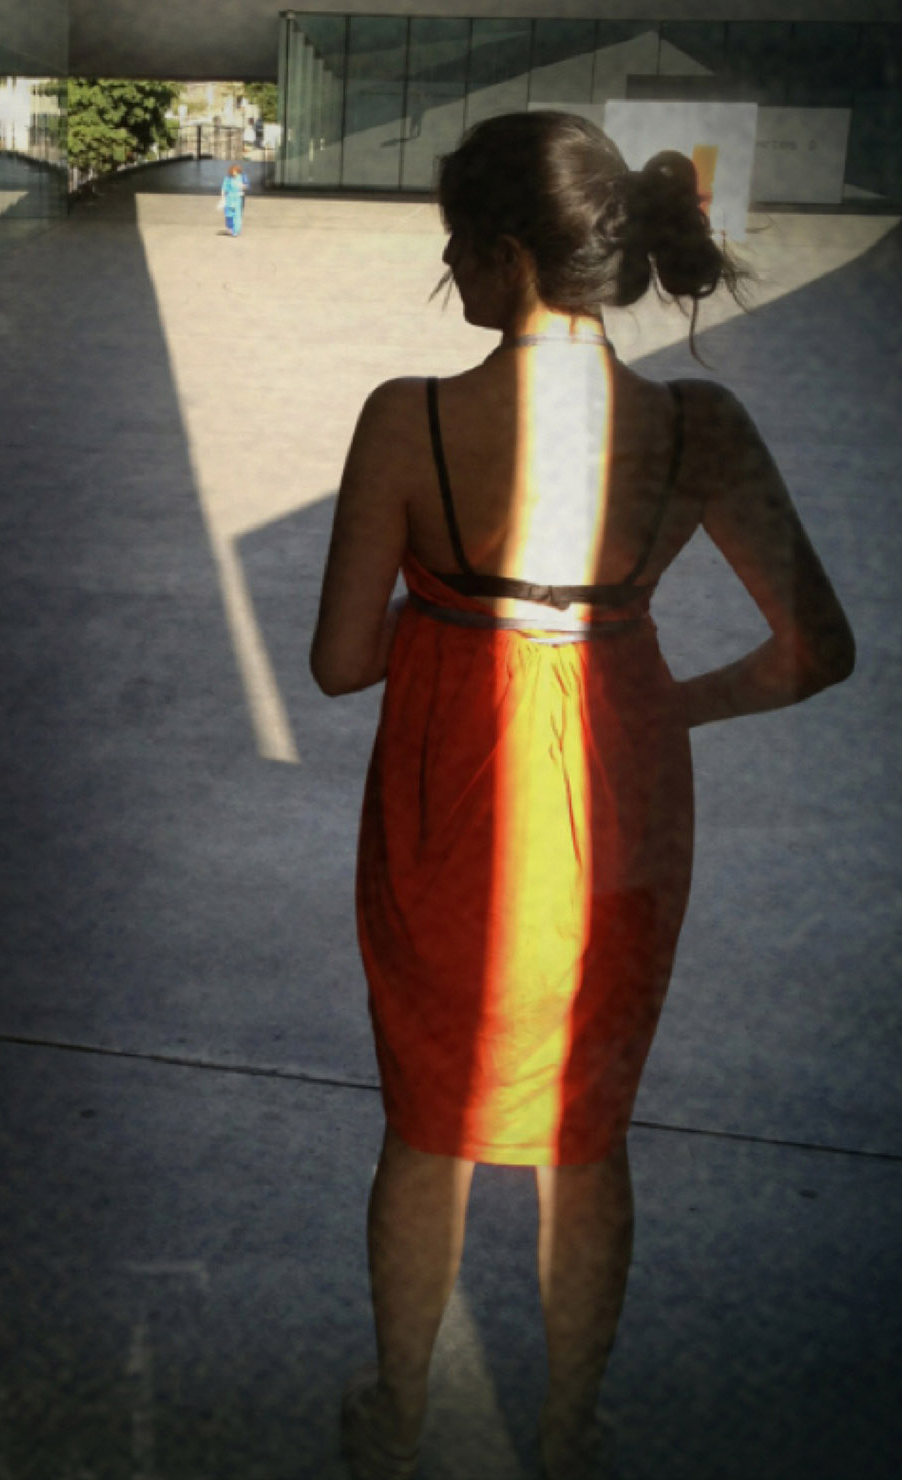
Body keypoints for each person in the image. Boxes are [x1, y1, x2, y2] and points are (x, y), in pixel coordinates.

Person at [310, 111, 854, 1480]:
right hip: (623, 804)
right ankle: (565, 1436)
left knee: (427, 1126)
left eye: (455, 247)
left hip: (450, 806)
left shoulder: (408, 419)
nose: (448, 272)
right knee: (587, 1133)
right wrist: (665, 705)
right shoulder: (698, 427)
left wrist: (450, 607)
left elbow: (339, 663)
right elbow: (813, 651)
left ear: (507, 257)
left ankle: (398, 1416)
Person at [220, 163, 248, 238]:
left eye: (236, 172)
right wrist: (222, 197)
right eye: (233, 172)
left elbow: (245, 186)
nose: (234, 173)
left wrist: (243, 187)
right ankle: (230, 228)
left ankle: (236, 231)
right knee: (229, 215)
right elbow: (224, 188)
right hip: (229, 198)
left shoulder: (242, 177)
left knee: (237, 215)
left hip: (238, 198)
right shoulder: (228, 178)